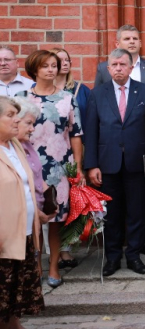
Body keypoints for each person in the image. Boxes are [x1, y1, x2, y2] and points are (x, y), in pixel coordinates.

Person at [95, 24, 145, 257]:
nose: (131, 41)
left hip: (140, 150)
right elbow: (97, 113)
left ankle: (138, 248)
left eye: (135, 38)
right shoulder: (101, 77)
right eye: (126, 38)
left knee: (139, 204)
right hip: (110, 155)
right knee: (114, 208)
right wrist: (93, 160)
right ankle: (114, 254)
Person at [84, 49, 145, 278]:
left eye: (122, 64)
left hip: (138, 163)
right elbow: (91, 131)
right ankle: (113, 257)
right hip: (107, 165)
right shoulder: (97, 94)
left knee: (137, 211)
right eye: (114, 65)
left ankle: (134, 256)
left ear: (130, 67)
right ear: (108, 69)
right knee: (112, 214)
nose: (118, 68)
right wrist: (91, 164)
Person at [16, 50, 82, 288]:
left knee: (55, 219)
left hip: (59, 168)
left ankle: (53, 267)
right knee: (33, 219)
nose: (51, 70)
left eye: (54, 65)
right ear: (34, 69)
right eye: (45, 66)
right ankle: (35, 269)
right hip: (29, 166)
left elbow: (75, 134)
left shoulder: (68, 98)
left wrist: (78, 167)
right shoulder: (21, 98)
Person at [0, 97, 44, 329]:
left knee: (13, 296)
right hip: (4, 238)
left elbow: (24, 185)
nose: (16, 119)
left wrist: (38, 212)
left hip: (24, 234)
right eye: (9, 115)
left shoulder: (14, 145)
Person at [13, 97, 54, 279]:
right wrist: (37, 212)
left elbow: (37, 175)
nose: (32, 128)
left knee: (33, 256)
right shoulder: (9, 150)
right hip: (22, 217)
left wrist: (50, 200)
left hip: (36, 214)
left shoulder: (28, 145)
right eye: (28, 123)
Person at [51, 48, 91, 120]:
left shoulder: (82, 90)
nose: (65, 63)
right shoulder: (40, 88)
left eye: (67, 60)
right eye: (60, 60)